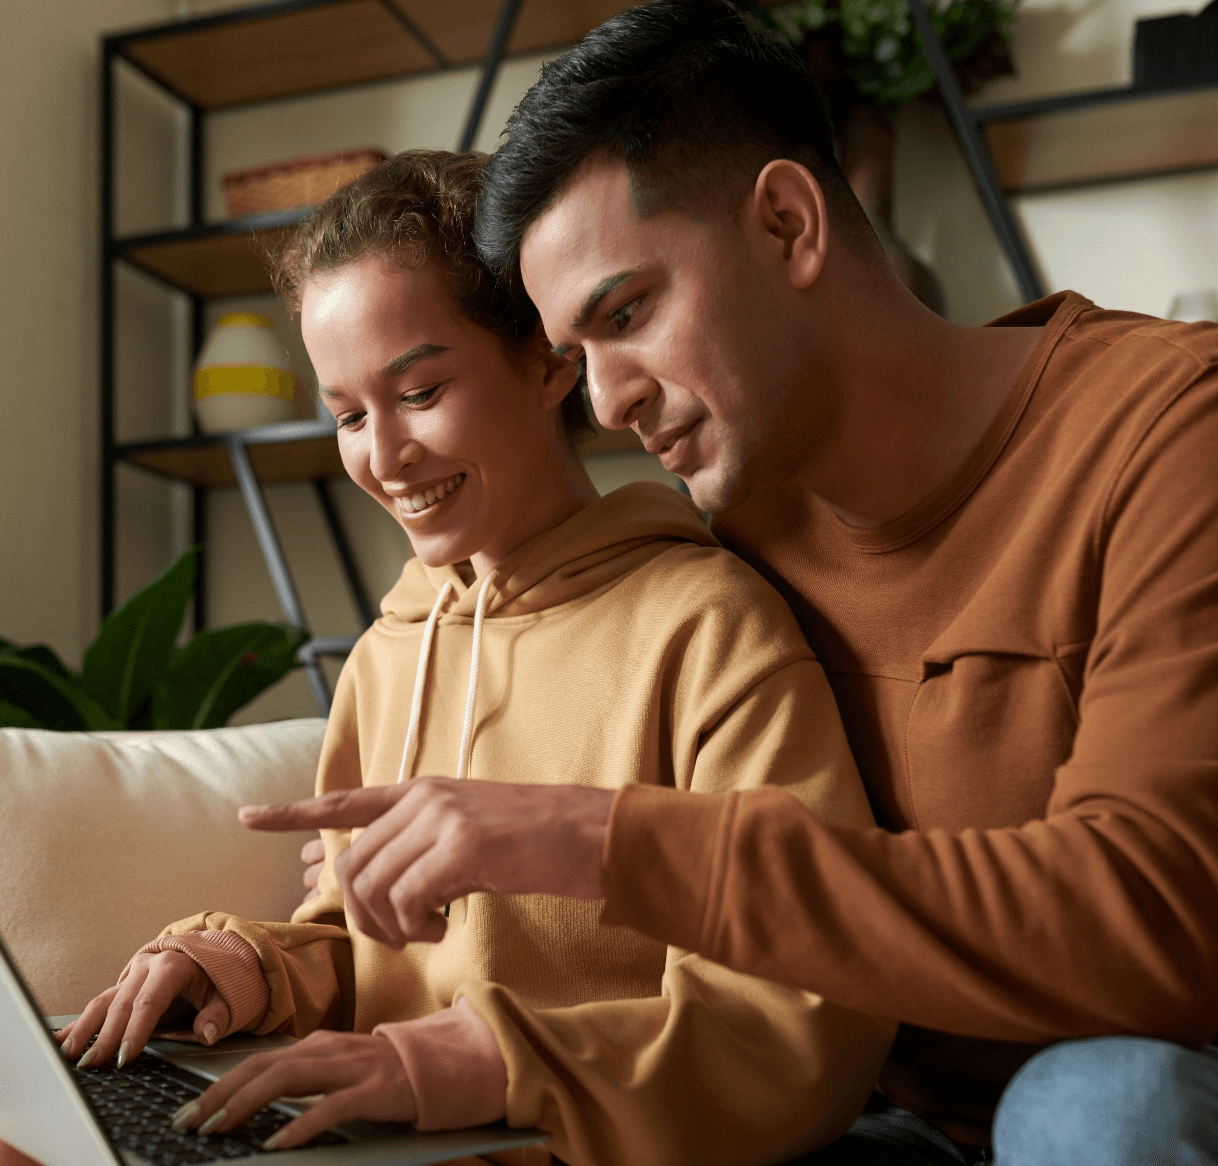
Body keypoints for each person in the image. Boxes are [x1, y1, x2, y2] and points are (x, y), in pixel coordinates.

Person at [249, 3, 1218, 1163]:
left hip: (1137, 1069)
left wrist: (595, 838)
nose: (605, 401)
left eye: (629, 313)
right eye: (580, 349)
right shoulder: (739, 521)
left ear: (788, 222)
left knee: (1095, 1107)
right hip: (870, 1112)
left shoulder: (1169, 429)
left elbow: (1151, 914)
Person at [57, 150, 895, 1164]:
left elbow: (813, 1007)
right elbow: (376, 952)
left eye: (419, 390)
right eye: (349, 414)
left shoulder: (708, 626)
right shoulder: (387, 650)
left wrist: (489, 1061)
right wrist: (248, 965)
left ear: (549, 361)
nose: (385, 453)